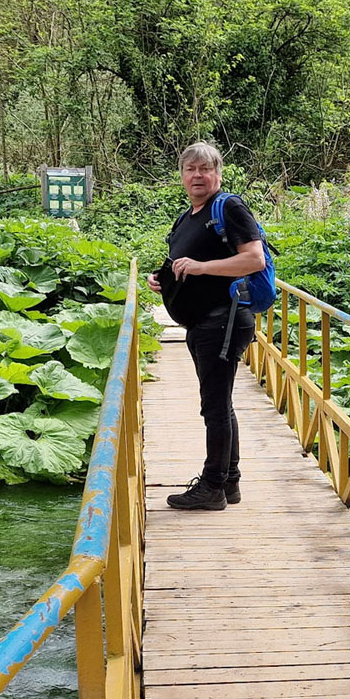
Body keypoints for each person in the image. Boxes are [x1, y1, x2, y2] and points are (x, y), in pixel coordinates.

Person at [147, 142, 266, 510]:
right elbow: (183, 262)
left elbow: (254, 260)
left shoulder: (229, 207)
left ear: (218, 173)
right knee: (220, 404)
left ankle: (213, 487)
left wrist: (199, 268)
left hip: (224, 320)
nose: (197, 176)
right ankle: (228, 482)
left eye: (205, 169)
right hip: (203, 323)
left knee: (213, 407)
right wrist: (162, 279)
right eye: (190, 169)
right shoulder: (188, 216)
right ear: (182, 175)